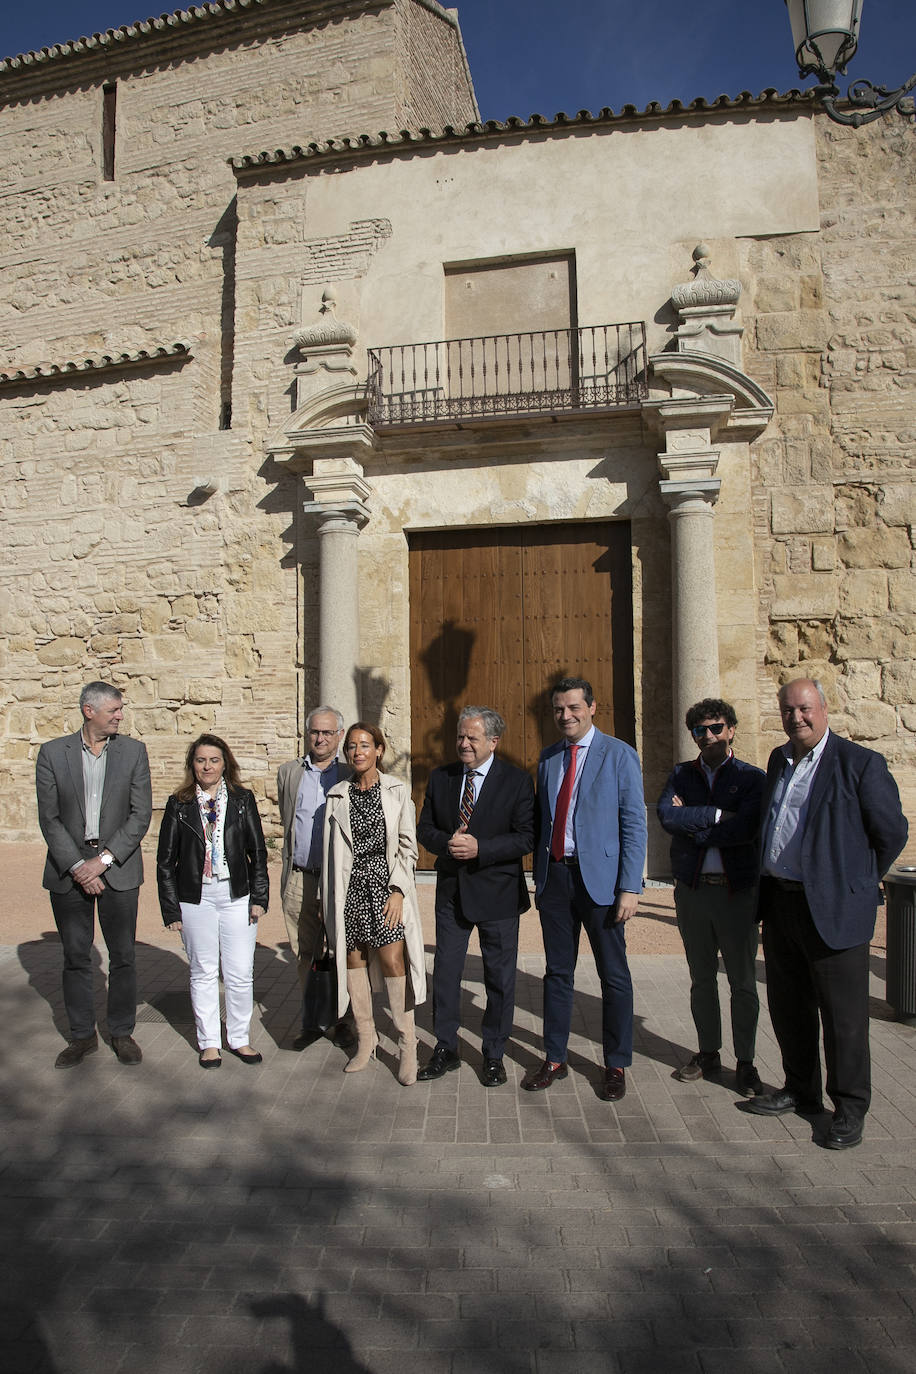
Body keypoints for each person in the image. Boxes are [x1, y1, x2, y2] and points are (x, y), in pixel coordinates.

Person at [747, 678, 907, 1148]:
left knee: (844, 1020)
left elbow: (891, 833)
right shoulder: (779, 759)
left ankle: (850, 1108)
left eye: (804, 708)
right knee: (789, 1007)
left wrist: (854, 882)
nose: (796, 718)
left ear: (824, 708)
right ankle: (801, 1091)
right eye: (788, 711)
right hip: (781, 904)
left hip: (835, 910)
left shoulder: (860, 764)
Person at [524, 676, 647, 1101]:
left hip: (604, 884)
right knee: (558, 972)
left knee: (613, 976)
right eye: (559, 709)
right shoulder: (549, 758)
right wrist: (540, 876)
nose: (566, 716)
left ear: (592, 708)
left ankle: (616, 1063)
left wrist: (630, 886)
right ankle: (555, 1057)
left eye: (574, 707)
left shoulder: (619, 755)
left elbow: (634, 824)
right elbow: (544, 822)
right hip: (557, 878)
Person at [415, 706, 535, 1086]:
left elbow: (526, 837)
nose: (464, 744)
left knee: (499, 978)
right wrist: (448, 845)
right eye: (460, 737)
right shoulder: (442, 777)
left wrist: (481, 847)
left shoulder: (516, 781)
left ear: (494, 742)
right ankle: (445, 1048)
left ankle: (494, 1053)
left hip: (497, 893)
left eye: (472, 738)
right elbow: (426, 828)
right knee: (447, 973)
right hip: (452, 894)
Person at [36, 682, 152, 1068]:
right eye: (113, 710)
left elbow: (140, 815)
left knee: (122, 956)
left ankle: (121, 1032)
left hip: (116, 865)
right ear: (89, 711)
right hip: (68, 868)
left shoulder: (134, 752)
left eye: (120, 710)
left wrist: (101, 861)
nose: (120, 715)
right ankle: (82, 1036)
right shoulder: (53, 753)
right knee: (75, 957)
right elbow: (49, 819)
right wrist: (77, 867)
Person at [657, 697, 766, 1097]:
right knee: (701, 978)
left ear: (731, 729)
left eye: (716, 728)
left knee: (742, 982)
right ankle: (707, 1053)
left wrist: (696, 819)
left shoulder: (752, 778)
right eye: (700, 730)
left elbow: (748, 830)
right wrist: (720, 814)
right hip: (693, 892)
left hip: (736, 893)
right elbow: (668, 817)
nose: (708, 736)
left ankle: (747, 1062)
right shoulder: (682, 774)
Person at [322, 722, 426, 1085]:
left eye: (365, 745)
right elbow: (331, 855)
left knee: (393, 961)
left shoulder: (397, 791)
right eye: (351, 747)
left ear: (379, 750)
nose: (357, 752)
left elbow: (408, 847)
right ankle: (366, 1040)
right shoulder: (338, 794)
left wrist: (397, 890)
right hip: (350, 889)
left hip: (386, 888)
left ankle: (407, 1043)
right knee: (353, 960)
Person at [157, 734, 269, 1068]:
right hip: (196, 897)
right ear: (192, 764)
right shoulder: (178, 803)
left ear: (225, 764)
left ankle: (239, 1038)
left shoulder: (241, 799)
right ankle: (209, 1042)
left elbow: (257, 852)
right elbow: (165, 861)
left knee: (239, 972)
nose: (207, 766)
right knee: (203, 971)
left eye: (214, 760)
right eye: (201, 760)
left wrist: (259, 897)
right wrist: (170, 907)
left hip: (236, 894)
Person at [277, 706, 353, 1049]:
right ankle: (312, 1021)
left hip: (339, 880)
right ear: (307, 734)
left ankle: (343, 1021)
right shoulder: (289, 773)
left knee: (343, 950)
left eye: (327, 733)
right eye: (314, 732)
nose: (320, 739)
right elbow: (288, 819)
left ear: (339, 736)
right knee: (304, 951)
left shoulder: (351, 774)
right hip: (300, 878)